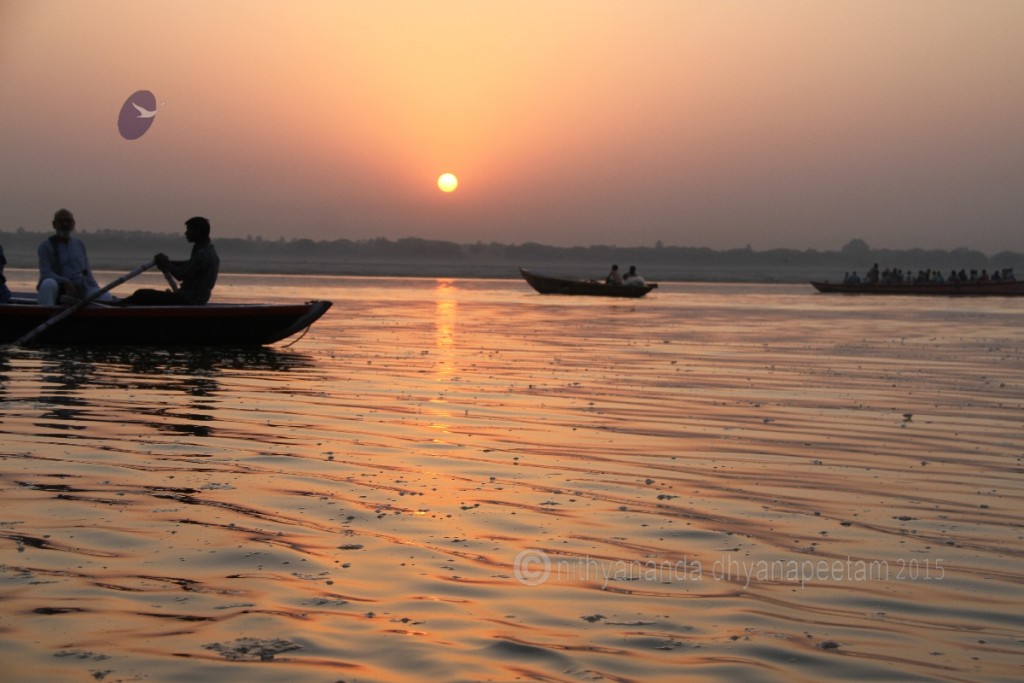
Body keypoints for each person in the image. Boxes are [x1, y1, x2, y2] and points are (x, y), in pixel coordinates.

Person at [118, 216, 219, 305]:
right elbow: (189, 265)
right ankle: (120, 303)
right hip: (195, 298)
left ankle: (118, 306)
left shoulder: (203, 254)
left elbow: (181, 274)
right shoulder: (207, 249)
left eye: (189, 230)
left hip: (189, 299)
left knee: (142, 294)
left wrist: (166, 263)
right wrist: (168, 263)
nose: (186, 233)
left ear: (198, 232)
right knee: (142, 295)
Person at [37, 209, 111, 306]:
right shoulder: (46, 246)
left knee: (106, 296)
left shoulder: (79, 245)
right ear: (54, 225)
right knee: (48, 283)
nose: (65, 224)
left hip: (79, 290)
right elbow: (46, 273)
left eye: (68, 221)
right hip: (58, 288)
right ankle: (46, 313)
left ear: (73, 224)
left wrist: (96, 290)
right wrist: (65, 282)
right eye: (61, 221)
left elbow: (87, 274)